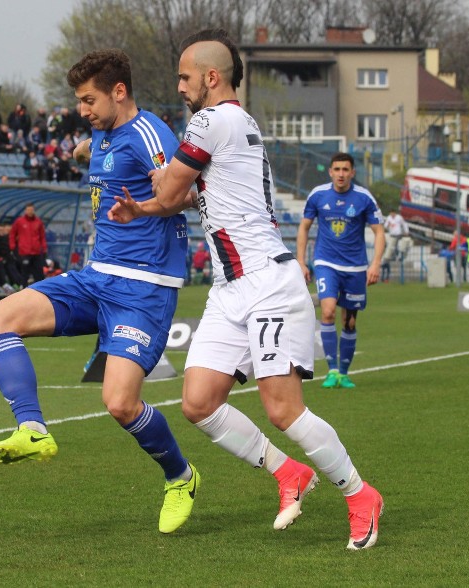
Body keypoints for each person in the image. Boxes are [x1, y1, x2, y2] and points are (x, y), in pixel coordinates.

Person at [109, 29, 383, 550]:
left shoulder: (212, 120)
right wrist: (146, 206)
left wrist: (139, 166)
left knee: (282, 409)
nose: (181, 86)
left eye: (186, 77)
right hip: (230, 287)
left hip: (266, 283)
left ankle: (360, 494)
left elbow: (171, 187)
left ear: (212, 78)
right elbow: (187, 195)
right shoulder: (237, 123)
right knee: (198, 401)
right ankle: (288, 474)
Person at [0, 48, 199, 535]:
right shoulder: (102, 133)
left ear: (119, 92)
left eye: (88, 99)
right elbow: (93, 146)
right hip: (95, 277)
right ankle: (33, 429)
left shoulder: (151, 135)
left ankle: (180, 476)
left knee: (120, 403)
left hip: (144, 287)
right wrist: (83, 147)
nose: (83, 109)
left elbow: (184, 194)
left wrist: (147, 204)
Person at [296, 152, 385, 389]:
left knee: (350, 322)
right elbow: (304, 227)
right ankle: (332, 370)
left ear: (353, 173)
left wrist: (375, 264)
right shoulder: (318, 195)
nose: (341, 174)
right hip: (326, 262)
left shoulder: (364, 198)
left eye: (346, 170)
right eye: (337, 169)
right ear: (330, 172)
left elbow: (379, 232)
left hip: (355, 267)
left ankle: (344, 373)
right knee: (327, 312)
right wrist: (301, 261)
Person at [9, 203, 47, 285]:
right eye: (28, 210)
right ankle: (24, 290)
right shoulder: (19, 221)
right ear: (25, 211)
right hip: (24, 252)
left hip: (36, 252)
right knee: (25, 273)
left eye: (31, 210)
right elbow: (12, 234)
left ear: (34, 211)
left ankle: (40, 291)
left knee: (39, 274)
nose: (30, 212)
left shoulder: (38, 222)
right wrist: (12, 247)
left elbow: (42, 236)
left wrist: (44, 248)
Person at [381, 209, 408, 281]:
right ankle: (393, 256)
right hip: (392, 235)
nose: (392, 215)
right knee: (391, 247)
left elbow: (404, 224)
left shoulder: (399, 218)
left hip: (398, 234)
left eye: (393, 213)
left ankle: (397, 255)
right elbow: (386, 226)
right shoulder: (389, 218)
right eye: (391, 213)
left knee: (397, 246)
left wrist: (406, 231)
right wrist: (388, 224)